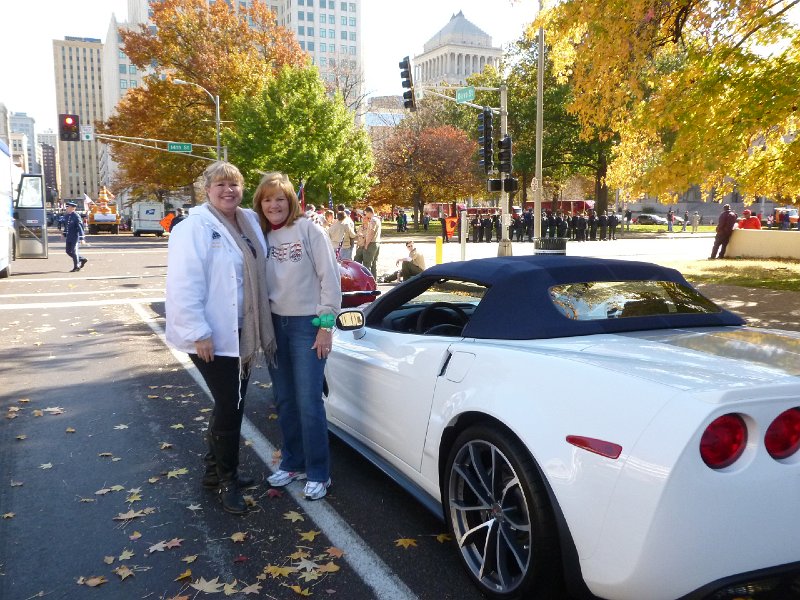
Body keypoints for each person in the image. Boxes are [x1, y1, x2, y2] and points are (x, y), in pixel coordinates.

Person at [165, 161, 275, 515]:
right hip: (212, 333)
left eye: (235, 184)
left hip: (243, 329)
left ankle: (214, 472)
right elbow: (184, 283)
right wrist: (198, 331)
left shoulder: (248, 221)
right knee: (230, 403)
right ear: (207, 190)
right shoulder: (193, 227)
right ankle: (228, 480)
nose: (229, 190)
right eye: (221, 185)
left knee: (233, 403)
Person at [252, 171, 342, 501]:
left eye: (280, 198)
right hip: (275, 325)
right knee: (285, 400)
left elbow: (330, 279)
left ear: (290, 201)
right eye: (267, 199)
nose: (273, 205)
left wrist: (325, 326)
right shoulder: (261, 234)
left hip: (308, 325)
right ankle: (293, 462)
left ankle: (318, 472)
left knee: (308, 401)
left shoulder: (309, 230)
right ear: (260, 204)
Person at [63, 201, 87, 272]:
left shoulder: (76, 216)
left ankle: (77, 266)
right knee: (68, 251)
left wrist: (82, 238)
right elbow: (66, 226)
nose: (67, 208)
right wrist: (64, 233)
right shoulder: (67, 216)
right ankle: (82, 259)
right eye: (67, 207)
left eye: (68, 207)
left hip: (75, 236)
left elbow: (80, 227)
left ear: (72, 208)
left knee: (74, 251)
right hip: (69, 236)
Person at [360, 206, 381, 275]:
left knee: (367, 264)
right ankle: (374, 280)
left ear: (369, 212)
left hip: (371, 243)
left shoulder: (373, 220)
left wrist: (366, 244)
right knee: (374, 264)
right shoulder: (377, 220)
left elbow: (371, 232)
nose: (366, 215)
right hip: (377, 243)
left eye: (366, 213)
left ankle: (367, 280)